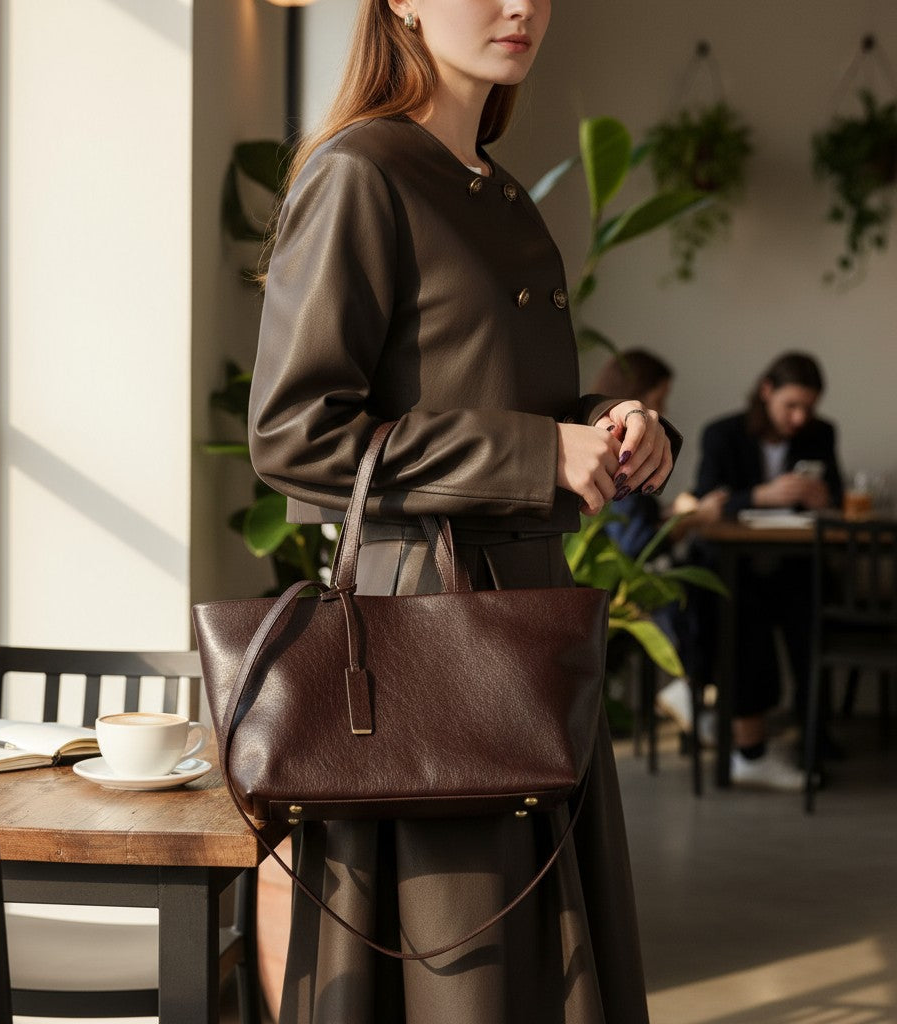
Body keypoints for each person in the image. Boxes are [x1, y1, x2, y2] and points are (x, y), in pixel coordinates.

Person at [247, 2, 679, 1021]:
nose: (520, 5)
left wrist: (606, 424)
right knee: (464, 974)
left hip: (529, 625)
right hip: (430, 636)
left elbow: (492, 401)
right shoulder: (363, 170)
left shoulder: (497, 186)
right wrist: (539, 453)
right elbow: (294, 435)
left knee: (540, 968)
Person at [693, 351, 844, 790]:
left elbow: (836, 494)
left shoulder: (822, 434)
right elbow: (705, 502)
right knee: (741, 613)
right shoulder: (723, 433)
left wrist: (823, 499)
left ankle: (814, 738)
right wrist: (762, 495)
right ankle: (748, 745)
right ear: (766, 392)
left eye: (808, 408)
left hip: (795, 567)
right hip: (738, 568)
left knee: (815, 617)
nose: (799, 418)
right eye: (790, 406)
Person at [590, 350, 727, 735]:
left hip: (620, 571)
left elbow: (631, 524)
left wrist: (676, 515)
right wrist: (690, 519)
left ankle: (694, 689)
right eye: (658, 398)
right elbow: (634, 544)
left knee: (704, 569)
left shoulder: (608, 444)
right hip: (620, 582)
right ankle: (691, 685)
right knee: (702, 576)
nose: (660, 411)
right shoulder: (619, 448)